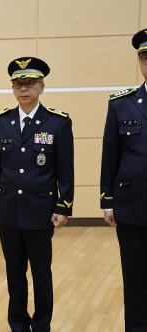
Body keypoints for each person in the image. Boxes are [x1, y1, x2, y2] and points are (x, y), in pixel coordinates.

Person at [0, 57, 74, 332]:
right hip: (10, 211)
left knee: (41, 274)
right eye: (18, 84)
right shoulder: (0, 123)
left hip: (40, 212)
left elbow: (65, 169)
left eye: (29, 84)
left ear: (41, 87)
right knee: (14, 274)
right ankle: (17, 323)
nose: (23, 89)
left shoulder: (57, 122)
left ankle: (41, 325)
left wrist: (63, 206)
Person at [100, 28, 147, 332]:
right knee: (135, 278)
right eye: (144, 57)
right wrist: (108, 201)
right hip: (133, 206)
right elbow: (110, 155)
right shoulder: (122, 104)